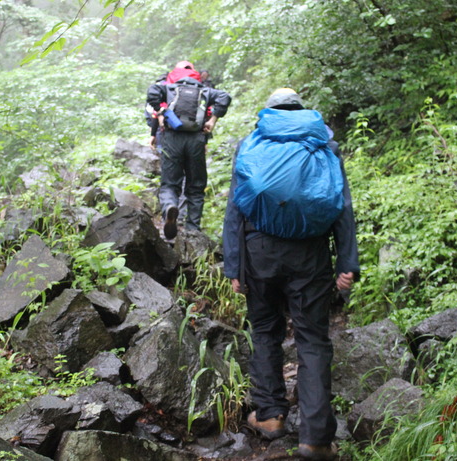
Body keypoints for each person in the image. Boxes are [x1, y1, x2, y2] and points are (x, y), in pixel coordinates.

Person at [222, 89, 359, 461]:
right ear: (301, 109)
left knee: (265, 330)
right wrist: (347, 262)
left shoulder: (251, 143)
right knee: (313, 340)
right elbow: (341, 207)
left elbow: (236, 210)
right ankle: (315, 438)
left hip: (259, 251)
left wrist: (233, 266)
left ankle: (269, 417)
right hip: (310, 253)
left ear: (269, 110)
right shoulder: (324, 143)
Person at [147, 60, 232, 239]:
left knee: (170, 184)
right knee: (196, 186)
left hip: (172, 138)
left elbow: (152, 92)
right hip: (196, 139)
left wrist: (160, 113)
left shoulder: (169, 88)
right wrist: (213, 120)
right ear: (196, 75)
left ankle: (170, 206)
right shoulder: (204, 90)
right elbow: (225, 97)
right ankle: (193, 230)